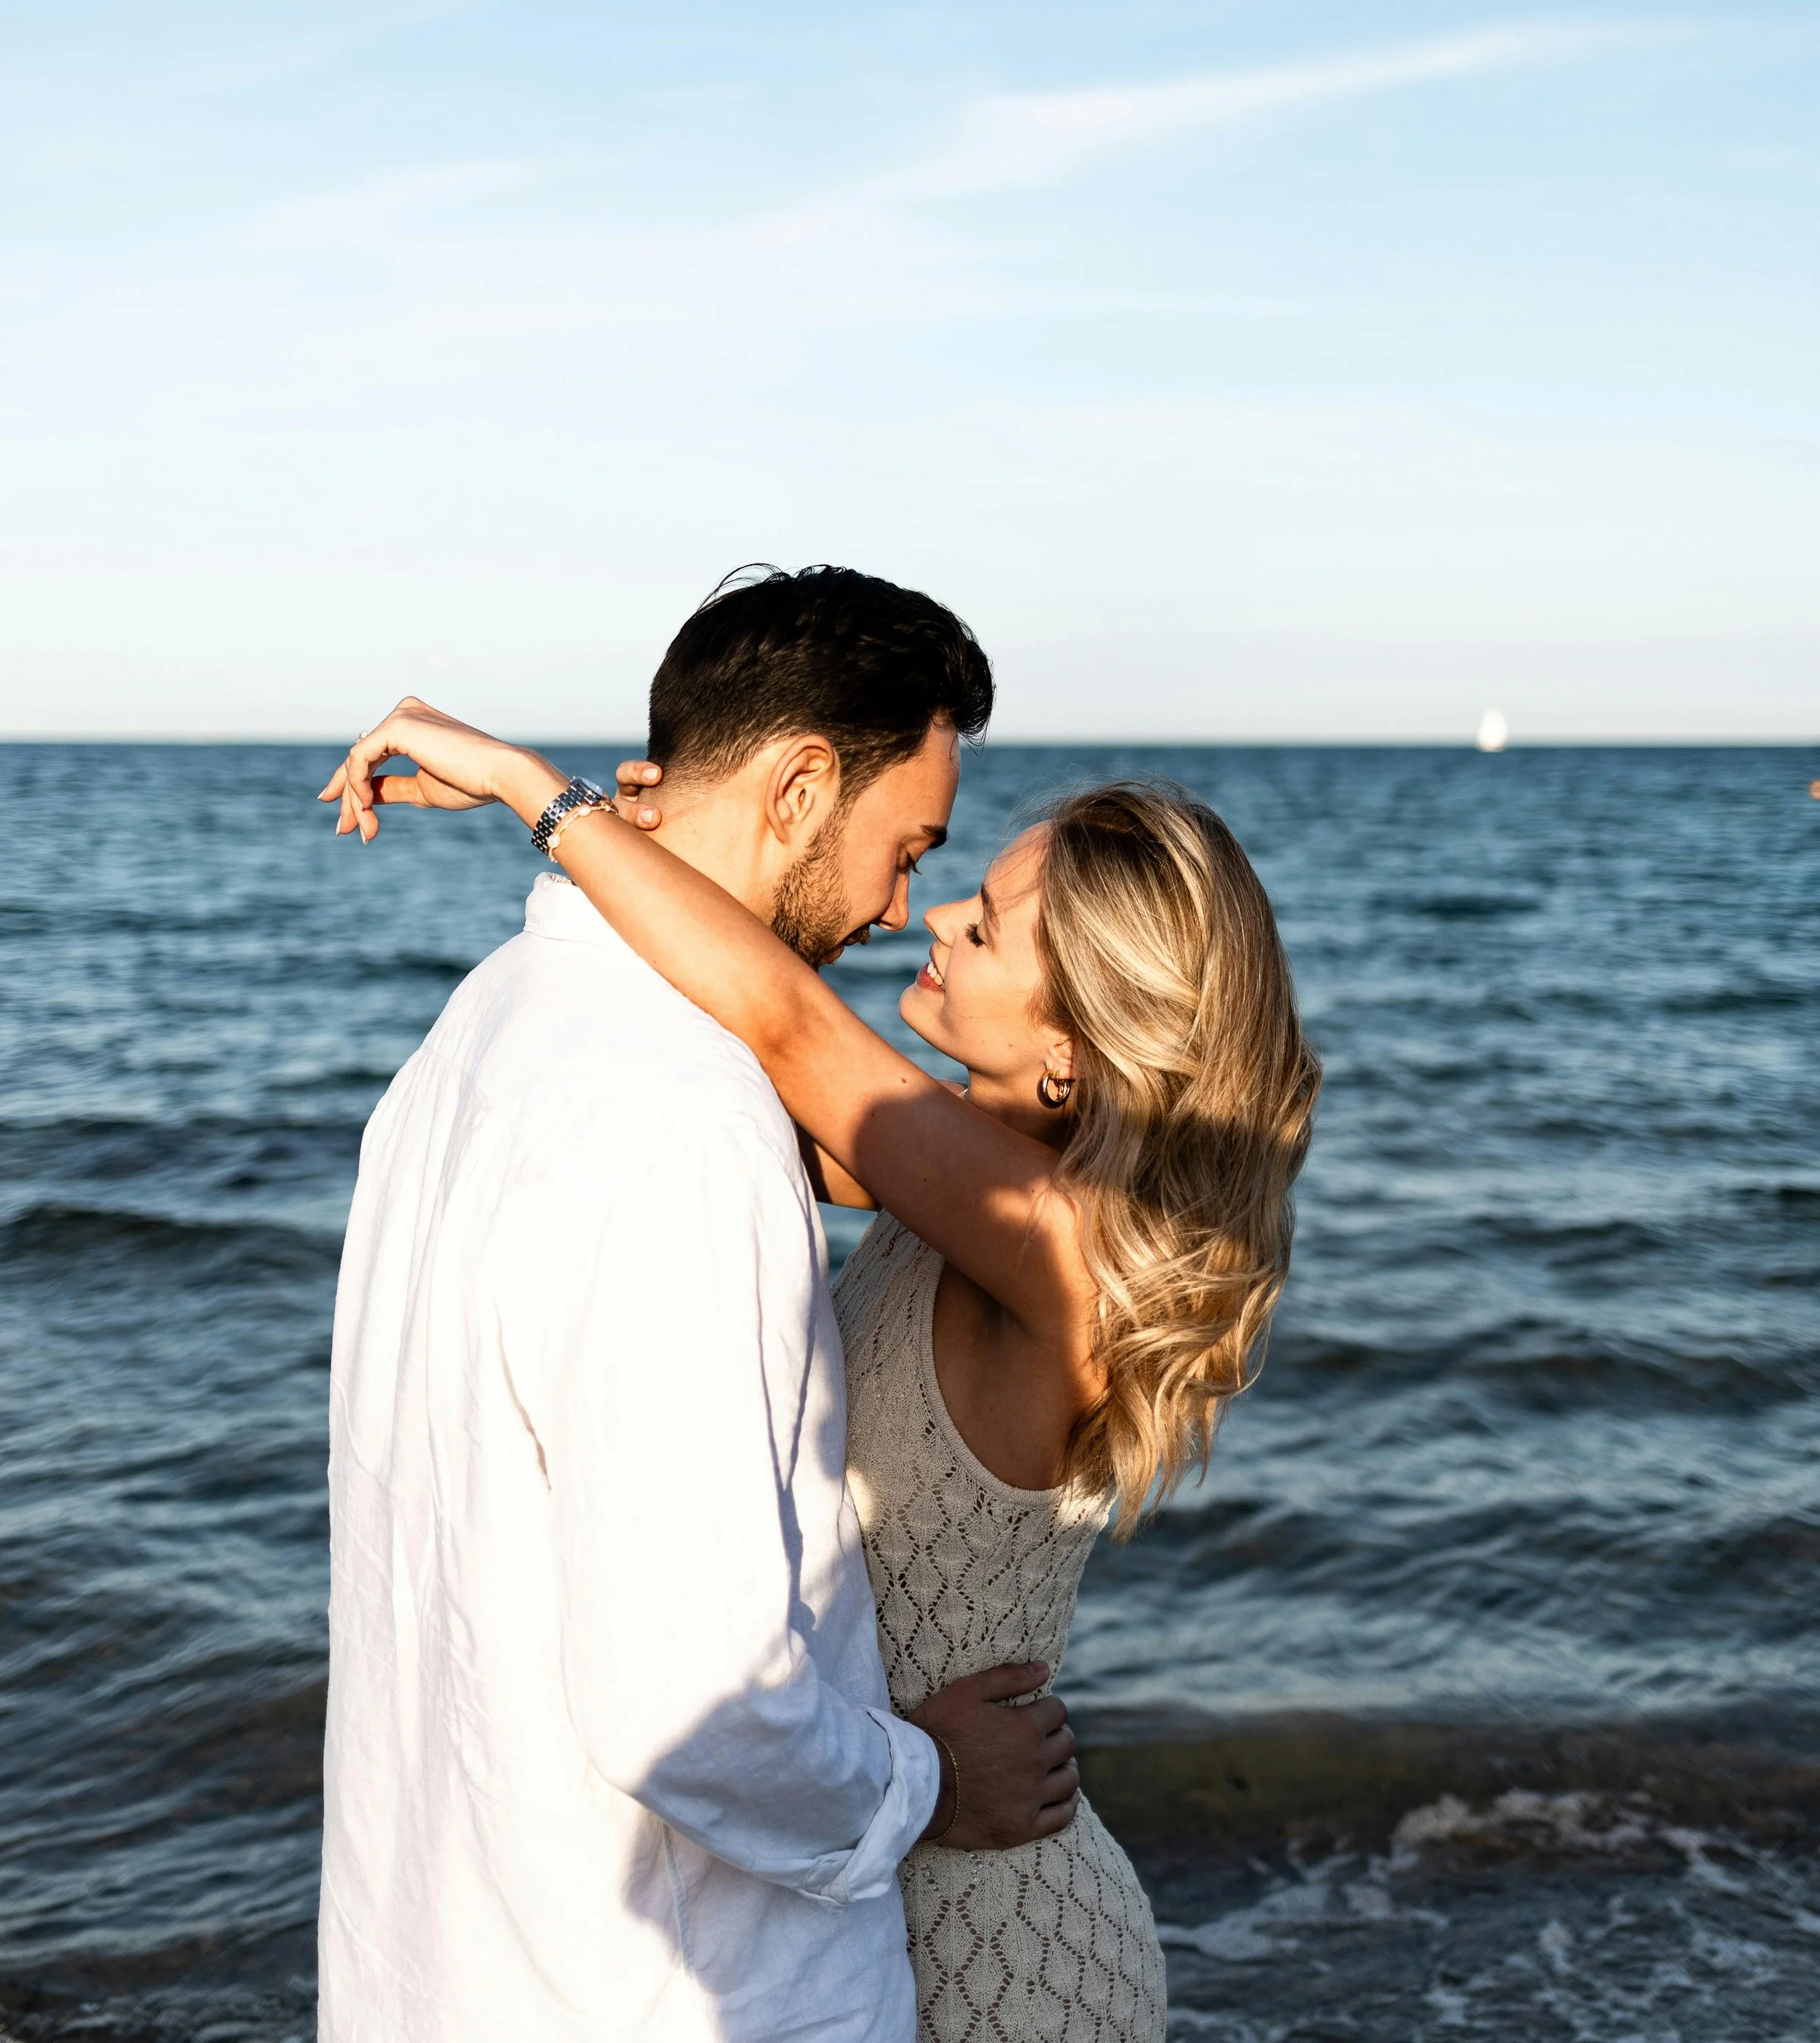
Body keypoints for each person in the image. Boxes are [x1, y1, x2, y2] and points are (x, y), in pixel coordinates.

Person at [325, 655, 1322, 2042]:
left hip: (1002, 1936)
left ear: (1077, 1047)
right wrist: (682, 815)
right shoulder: (949, 1184)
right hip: (891, 1851)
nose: (948, 910)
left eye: (1002, 921)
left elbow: (787, 1024)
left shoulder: (1055, 1243)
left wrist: (529, 789)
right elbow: (707, 1054)